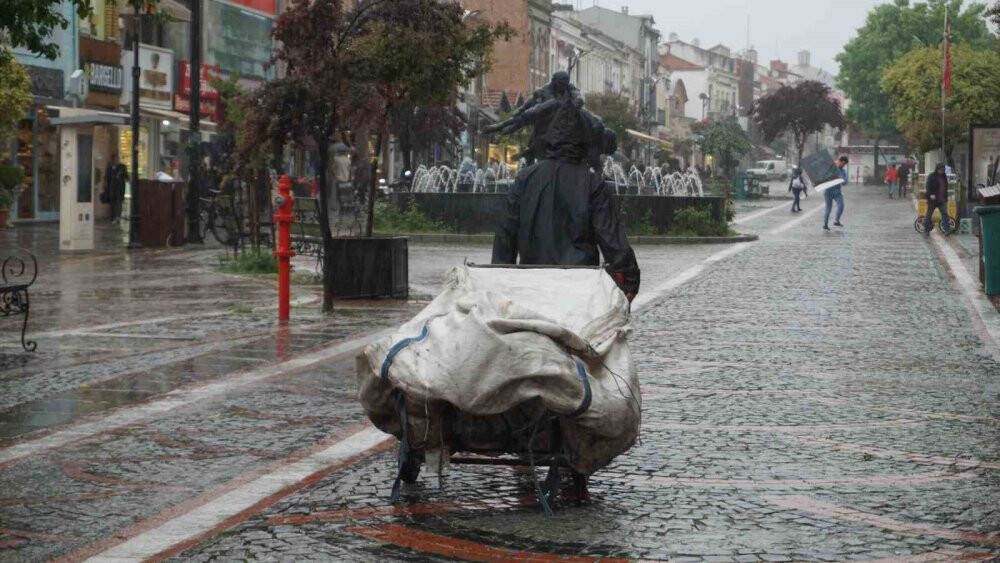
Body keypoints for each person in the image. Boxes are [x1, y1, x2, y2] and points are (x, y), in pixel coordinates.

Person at [492, 97, 640, 301]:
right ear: (583, 142)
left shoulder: (525, 179)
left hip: (531, 283)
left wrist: (500, 277)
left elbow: (505, 235)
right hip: (578, 286)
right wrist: (629, 280)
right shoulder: (591, 182)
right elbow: (611, 237)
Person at [823, 156, 849, 231]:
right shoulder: (831, 168)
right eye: (843, 163)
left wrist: (841, 179)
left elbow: (845, 182)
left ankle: (836, 221)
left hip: (838, 192)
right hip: (828, 191)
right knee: (828, 209)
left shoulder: (843, 171)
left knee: (841, 206)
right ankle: (825, 224)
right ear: (840, 161)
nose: (844, 165)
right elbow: (824, 177)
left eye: (845, 164)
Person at [923, 163, 949, 237]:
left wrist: (946, 197)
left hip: (942, 199)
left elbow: (946, 187)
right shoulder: (932, 176)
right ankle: (926, 231)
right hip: (933, 200)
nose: (942, 171)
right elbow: (928, 186)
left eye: (943, 170)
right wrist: (930, 194)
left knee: (945, 214)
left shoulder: (944, 177)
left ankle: (946, 230)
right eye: (941, 169)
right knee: (928, 215)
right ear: (937, 169)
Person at [104, 153, 127, 223]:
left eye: (117, 159)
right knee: (112, 203)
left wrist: (122, 177)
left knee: (119, 203)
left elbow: (126, 176)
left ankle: (118, 217)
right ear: (112, 160)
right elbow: (107, 178)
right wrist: (106, 187)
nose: (116, 160)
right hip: (112, 188)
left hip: (120, 188)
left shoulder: (123, 167)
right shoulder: (110, 167)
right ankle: (113, 218)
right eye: (115, 159)